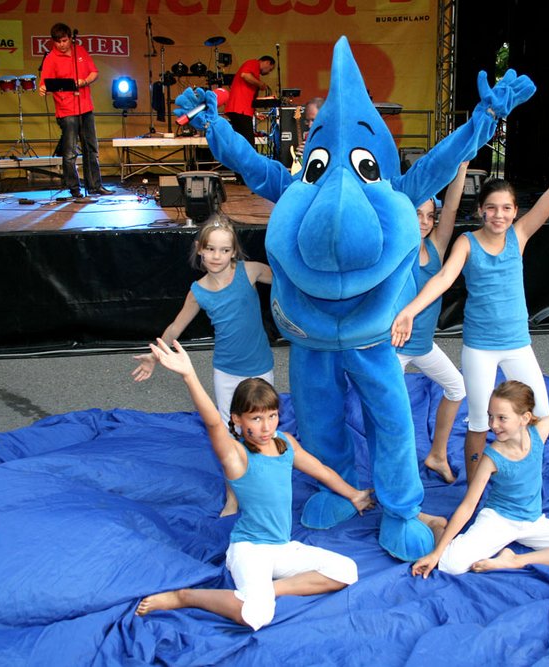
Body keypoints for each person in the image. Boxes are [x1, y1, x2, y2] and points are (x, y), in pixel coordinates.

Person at [392, 129, 549, 481]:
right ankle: (475, 486)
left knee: (540, 413)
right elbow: (444, 278)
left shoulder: (518, 236)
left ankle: (523, 478)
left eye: (506, 208)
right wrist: (410, 310)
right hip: (480, 347)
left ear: (514, 211)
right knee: (479, 419)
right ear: (480, 211)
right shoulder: (466, 242)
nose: (499, 215)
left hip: (517, 343)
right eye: (491, 208)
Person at [134, 338, 373, 630]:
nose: (266, 427)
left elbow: (321, 470)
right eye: (256, 418)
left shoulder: (285, 443)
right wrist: (189, 375)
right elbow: (211, 423)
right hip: (250, 549)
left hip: (282, 548)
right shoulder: (236, 456)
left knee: (347, 570)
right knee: (257, 615)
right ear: (237, 419)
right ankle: (186, 596)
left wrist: (354, 495)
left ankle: (269, 590)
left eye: (272, 416)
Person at [410, 370, 549, 578]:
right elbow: (468, 506)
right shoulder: (491, 457)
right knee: (450, 564)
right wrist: (436, 553)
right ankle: (436, 524)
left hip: (533, 521)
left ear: (525, 418)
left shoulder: (540, 432)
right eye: (491, 417)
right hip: (499, 520)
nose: (493, 425)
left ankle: (515, 560)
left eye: (501, 418)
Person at [131, 217, 274, 516]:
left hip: (260, 366)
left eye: (223, 250)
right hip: (226, 370)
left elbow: (291, 279)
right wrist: (155, 356)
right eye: (210, 249)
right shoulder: (198, 291)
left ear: (234, 252)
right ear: (199, 249)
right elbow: (175, 327)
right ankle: (232, 497)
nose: (216, 256)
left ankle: (266, 489)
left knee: (263, 429)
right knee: (230, 433)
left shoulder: (250, 271)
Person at [396, 162, 470, 484]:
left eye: (430, 216)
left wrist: (462, 166)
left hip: (424, 345)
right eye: (418, 214)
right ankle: (396, 472)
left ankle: (437, 453)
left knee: (457, 387)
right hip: (395, 347)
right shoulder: (397, 247)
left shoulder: (437, 247)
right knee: (393, 414)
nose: (425, 222)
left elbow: (451, 207)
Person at [38, 22, 112, 199]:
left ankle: (95, 185)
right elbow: (44, 84)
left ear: (70, 38)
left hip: (85, 106)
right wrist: (42, 89)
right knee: (70, 152)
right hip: (66, 109)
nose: (61, 45)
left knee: (91, 148)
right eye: (58, 42)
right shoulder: (51, 58)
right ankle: (74, 188)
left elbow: (94, 72)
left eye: (64, 40)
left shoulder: (80, 51)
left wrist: (84, 81)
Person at [225, 55, 276, 151]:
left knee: (241, 141)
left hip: (240, 109)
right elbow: (244, 75)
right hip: (240, 109)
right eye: (270, 69)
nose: (268, 72)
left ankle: (236, 164)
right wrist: (260, 84)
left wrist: (255, 112)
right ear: (267, 63)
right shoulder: (253, 63)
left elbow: (248, 97)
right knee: (248, 143)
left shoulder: (255, 71)